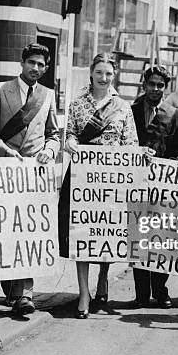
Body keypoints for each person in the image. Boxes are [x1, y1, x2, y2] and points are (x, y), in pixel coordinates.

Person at [62, 52, 142, 319]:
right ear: (91, 73)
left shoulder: (123, 107)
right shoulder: (76, 104)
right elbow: (70, 134)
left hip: (112, 179)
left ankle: (104, 276)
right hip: (83, 176)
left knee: (106, 229)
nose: (104, 78)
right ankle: (83, 292)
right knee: (82, 231)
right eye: (99, 73)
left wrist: (138, 156)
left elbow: (130, 142)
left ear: (114, 75)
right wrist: (71, 143)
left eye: (108, 73)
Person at [0, 43, 60, 316]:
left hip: (34, 174)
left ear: (46, 68)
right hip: (5, 170)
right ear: (22, 62)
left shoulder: (48, 95)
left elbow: (54, 134)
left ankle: (25, 292)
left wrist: (49, 152)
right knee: (7, 229)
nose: (35, 69)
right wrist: (6, 151)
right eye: (31, 63)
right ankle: (11, 289)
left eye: (41, 65)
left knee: (30, 232)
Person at [129, 65, 178, 309]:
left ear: (166, 88)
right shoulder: (129, 111)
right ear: (144, 84)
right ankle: (141, 294)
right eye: (151, 84)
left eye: (160, 85)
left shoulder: (176, 114)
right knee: (139, 237)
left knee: (162, 238)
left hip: (164, 183)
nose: (155, 89)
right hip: (137, 182)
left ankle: (161, 291)